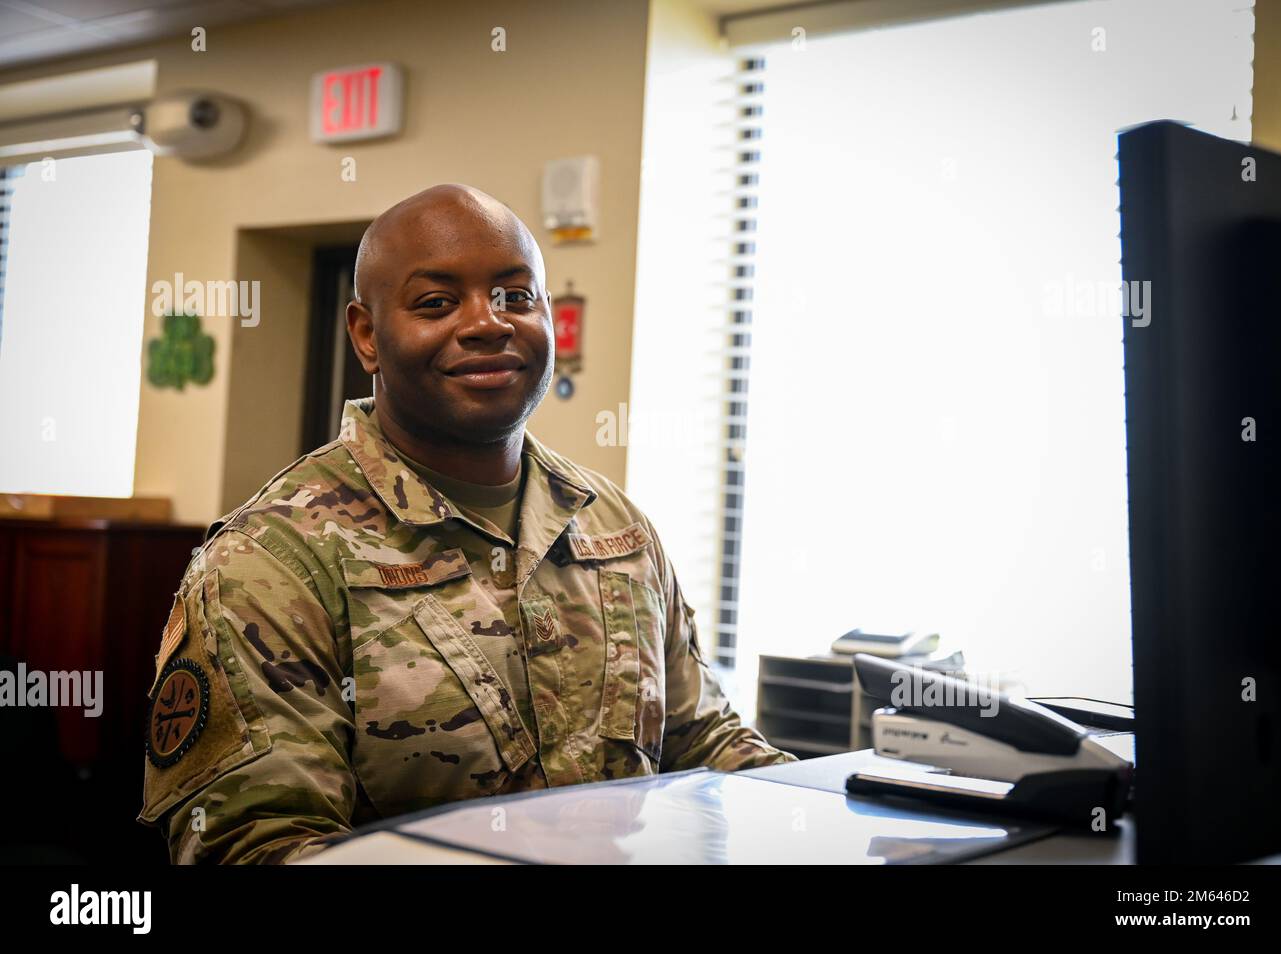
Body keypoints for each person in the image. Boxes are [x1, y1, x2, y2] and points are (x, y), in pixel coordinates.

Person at [138, 184, 795, 864]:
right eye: (436, 303)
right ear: (367, 335)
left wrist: (824, 810)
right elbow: (255, 846)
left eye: (516, 296)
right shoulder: (271, 559)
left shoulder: (615, 526)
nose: (488, 323)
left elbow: (707, 745)